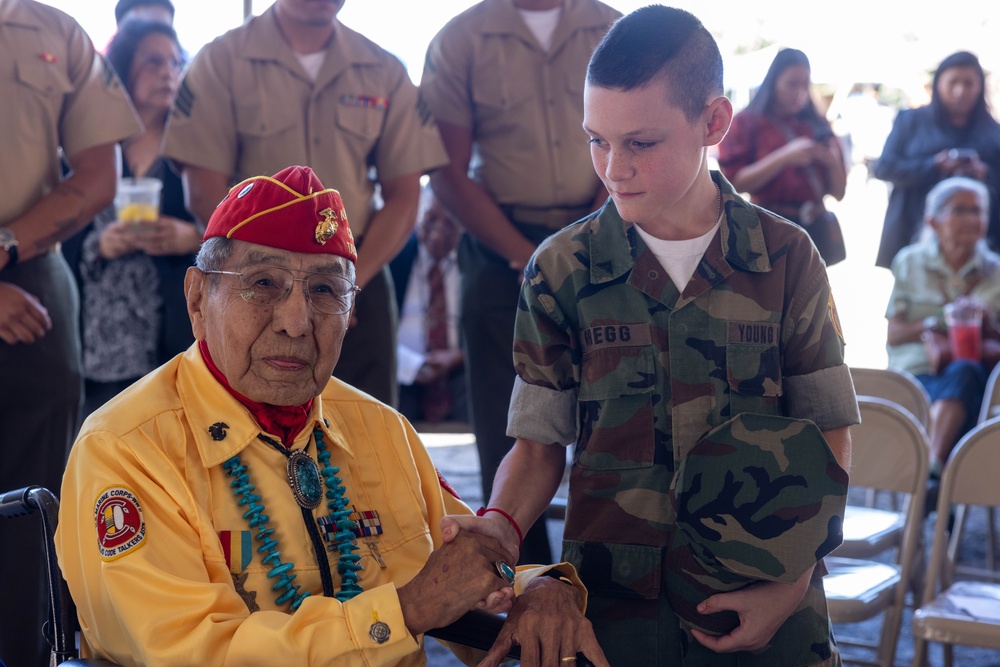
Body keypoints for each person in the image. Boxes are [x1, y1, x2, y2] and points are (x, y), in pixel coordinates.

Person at [54, 165, 606, 667]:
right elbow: (189, 652)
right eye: (263, 284)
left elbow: (470, 566)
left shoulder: (379, 429)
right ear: (198, 298)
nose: (296, 322)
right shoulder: (126, 448)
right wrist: (404, 611)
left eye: (323, 290)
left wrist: (539, 588)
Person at [448, 6, 857, 666]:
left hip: (767, 607)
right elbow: (536, 448)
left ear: (714, 123)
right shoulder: (561, 269)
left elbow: (829, 439)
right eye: (596, 140)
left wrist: (792, 582)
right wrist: (499, 523)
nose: (613, 168)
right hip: (611, 618)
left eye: (640, 143)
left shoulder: (786, 258)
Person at [162, 0, 447, 408]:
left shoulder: (382, 69)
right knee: (247, 423)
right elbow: (205, 191)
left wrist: (342, 288)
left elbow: (404, 195)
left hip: (358, 270)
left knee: (364, 428)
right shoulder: (221, 61)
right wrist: (266, 275)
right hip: (251, 278)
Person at [420, 0, 620, 565]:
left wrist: (593, 230)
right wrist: (529, 258)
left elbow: (635, 144)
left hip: (607, 232)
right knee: (509, 429)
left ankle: (605, 578)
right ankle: (525, 584)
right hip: (498, 243)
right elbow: (448, 171)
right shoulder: (461, 39)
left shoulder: (614, 27)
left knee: (617, 414)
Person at [0, 2, 140, 665]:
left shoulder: (58, 32)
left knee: (37, 493)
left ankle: (29, 649)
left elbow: (96, 175)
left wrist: (3, 250)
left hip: (27, 261)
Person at [76, 19, 198, 418]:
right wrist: (102, 244)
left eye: (175, 63)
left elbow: (227, 228)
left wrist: (193, 237)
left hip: (178, 328)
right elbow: (63, 239)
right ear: (123, 67)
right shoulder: (92, 147)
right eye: (153, 62)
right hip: (107, 337)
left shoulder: (194, 151)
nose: (168, 73)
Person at [886, 177, 1000, 484]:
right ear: (933, 221)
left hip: (976, 379)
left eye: (979, 211)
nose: (974, 219)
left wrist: (988, 324)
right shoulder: (909, 262)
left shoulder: (996, 272)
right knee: (961, 396)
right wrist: (935, 322)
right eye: (961, 210)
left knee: (965, 373)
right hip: (917, 376)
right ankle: (943, 488)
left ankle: (927, 475)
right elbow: (894, 335)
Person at [717, 48, 848, 266]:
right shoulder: (747, 122)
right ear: (774, 82)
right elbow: (733, 183)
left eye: (805, 84)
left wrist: (831, 160)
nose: (800, 92)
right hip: (766, 230)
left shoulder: (817, 125)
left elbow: (839, 192)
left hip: (813, 231)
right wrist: (786, 156)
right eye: (792, 83)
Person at [873, 50, 1000, 269]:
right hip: (912, 232)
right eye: (953, 82)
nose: (960, 91)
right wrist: (933, 165)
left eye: (968, 83)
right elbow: (884, 168)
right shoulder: (910, 122)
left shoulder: (993, 132)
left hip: (980, 245)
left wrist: (984, 173)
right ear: (938, 83)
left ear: (979, 87)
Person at [390, 187, 467, 425]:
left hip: (461, 370)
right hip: (401, 371)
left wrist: (458, 357)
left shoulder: (476, 262)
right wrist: (412, 365)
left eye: (449, 222)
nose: (437, 233)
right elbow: (375, 329)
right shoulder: (395, 256)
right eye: (430, 219)